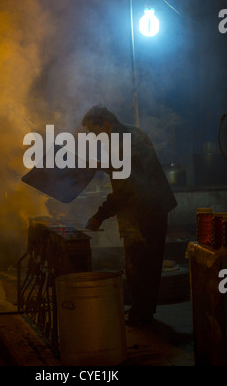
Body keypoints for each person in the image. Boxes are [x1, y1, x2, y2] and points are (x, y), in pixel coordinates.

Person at [82, 106, 177, 326]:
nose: (96, 138)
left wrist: (99, 216)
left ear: (105, 124)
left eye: (95, 132)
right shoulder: (133, 132)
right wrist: (101, 166)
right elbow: (132, 168)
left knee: (139, 265)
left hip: (144, 210)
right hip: (153, 206)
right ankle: (143, 312)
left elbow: (125, 188)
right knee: (149, 264)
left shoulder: (120, 143)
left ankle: (141, 315)